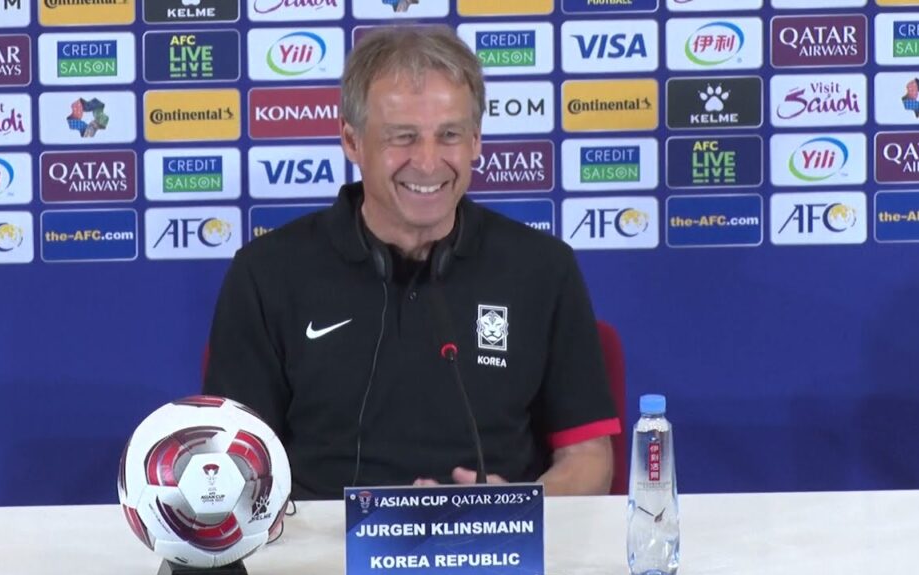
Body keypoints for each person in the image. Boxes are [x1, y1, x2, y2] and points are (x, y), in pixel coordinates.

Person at [204, 26, 620, 500]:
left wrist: (514, 510)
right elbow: (232, 466)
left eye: (449, 135)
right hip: (320, 552)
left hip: (492, 552)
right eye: (402, 137)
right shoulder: (266, 273)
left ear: (476, 141)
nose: (427, 162)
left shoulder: (543, 268)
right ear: (351, 141)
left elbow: (588, 459)